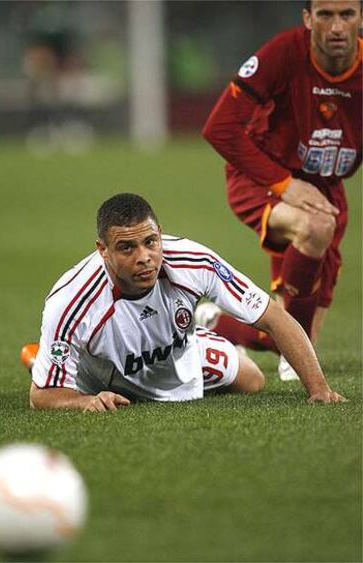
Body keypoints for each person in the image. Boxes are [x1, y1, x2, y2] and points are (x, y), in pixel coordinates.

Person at [21, 193, 346, 412]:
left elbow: (274, 316)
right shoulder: (71, 301)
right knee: (57, 378)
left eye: (150, 242)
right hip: (104, 376)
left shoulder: (195, 261)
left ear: (160, 233)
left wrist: (319, 389)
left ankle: (205, 327)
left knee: (252, 380)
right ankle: (45, 359)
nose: (144, 258)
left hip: (173, 354)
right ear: (102, 249)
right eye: (126, 248)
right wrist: (85, 401)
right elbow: (41, 396)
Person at [199, 0, 362, 381]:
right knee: (315, 226)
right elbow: (219, 127)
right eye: (325, 15)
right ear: (308, 19)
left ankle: (214, 323)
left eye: (347, 14)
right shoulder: (284, 53)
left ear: (360, 17)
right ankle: (296, 349)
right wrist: (284, 185)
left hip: (323, 185)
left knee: (292, 331)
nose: (336, 26)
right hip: (261, 174)